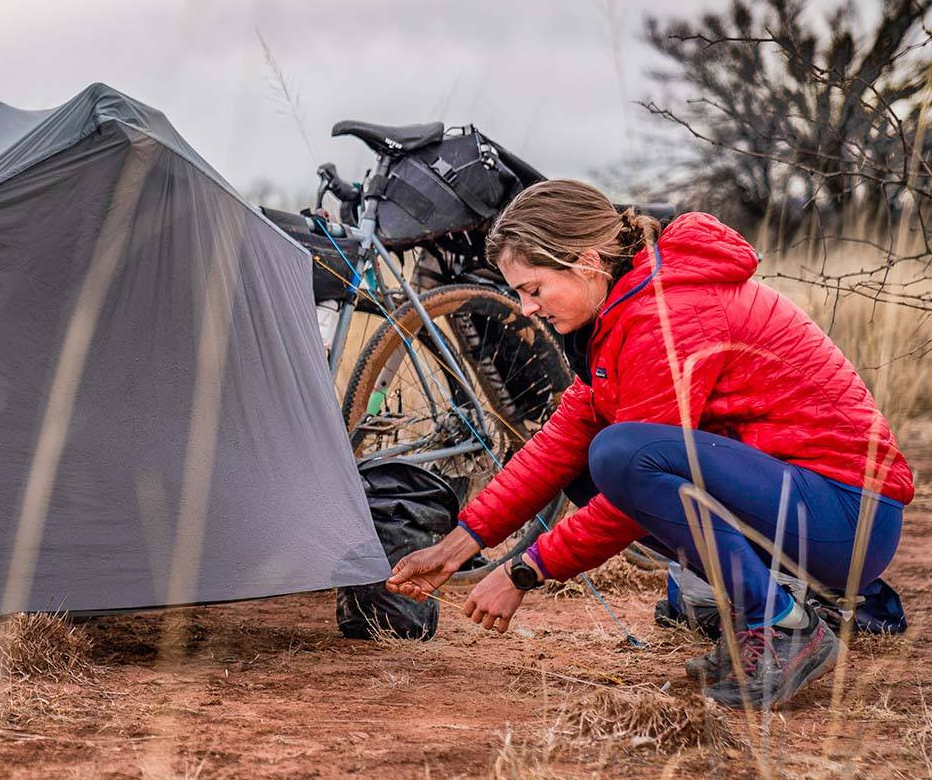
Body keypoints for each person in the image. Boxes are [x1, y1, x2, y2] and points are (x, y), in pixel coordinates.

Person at [386, 180, 913, 708]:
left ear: (588, 261)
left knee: (620, 457)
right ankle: (763, 615)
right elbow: (558, 445)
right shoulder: (627, 305)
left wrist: (526, 569)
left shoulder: (666, 315)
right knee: (587, 462)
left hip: (848, 517)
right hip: (804, 506)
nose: (525, 309)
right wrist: (458, 545)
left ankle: (782, 626)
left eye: (534, 289)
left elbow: (636, 487)